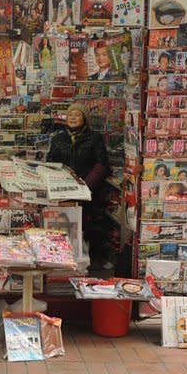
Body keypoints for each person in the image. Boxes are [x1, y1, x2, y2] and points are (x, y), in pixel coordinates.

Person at [47, 102, 111, 271]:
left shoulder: (94, 138)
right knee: (64, 224)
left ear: (85, 118)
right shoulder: (58, 138)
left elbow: (101, 164)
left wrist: (85, 187)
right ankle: (62, 259)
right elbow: (51, 162)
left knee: (87, 226)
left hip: (88, 191)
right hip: (62, 191)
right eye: (70, 115)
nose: (73, 118)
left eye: (77, 115)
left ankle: (87, 262)